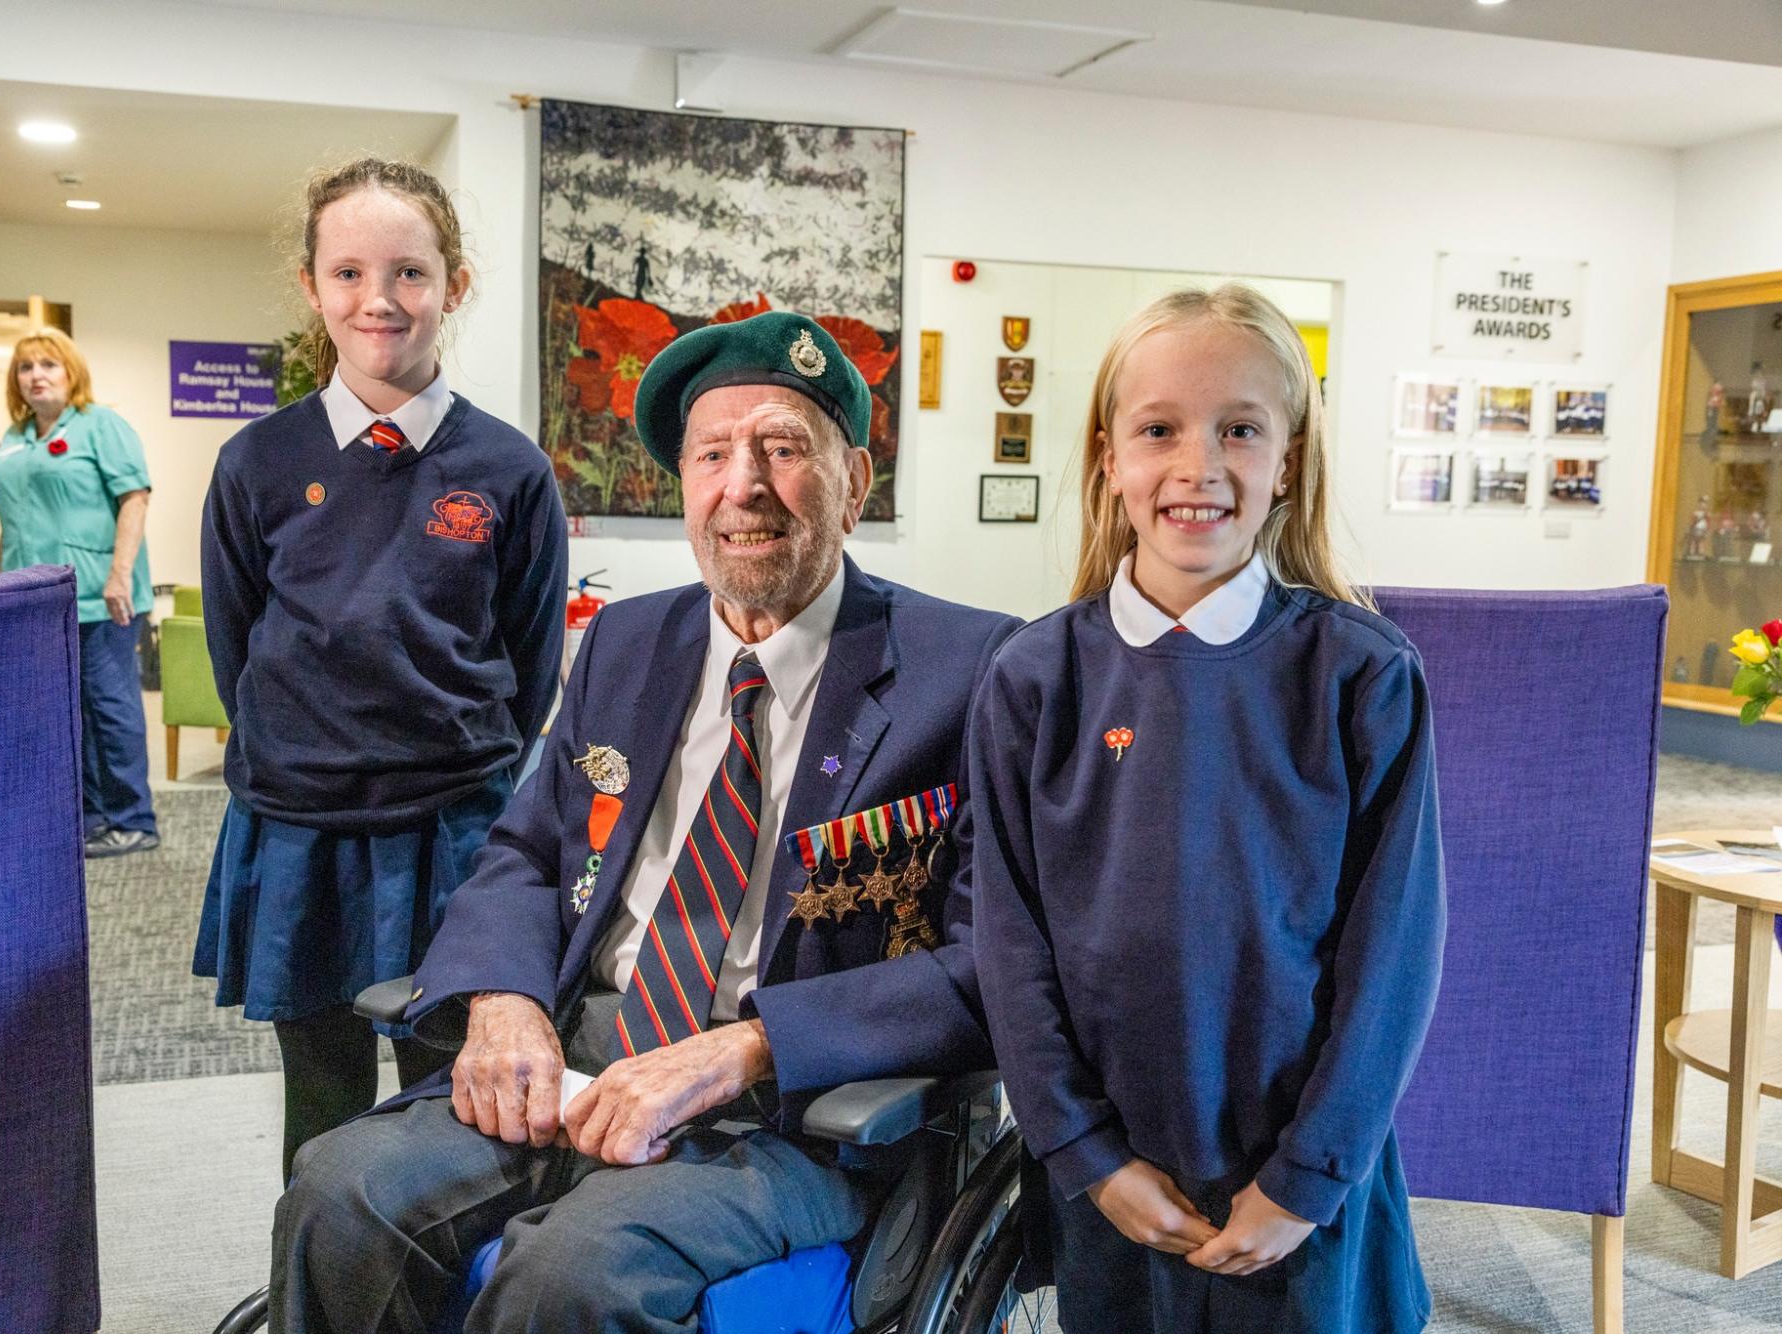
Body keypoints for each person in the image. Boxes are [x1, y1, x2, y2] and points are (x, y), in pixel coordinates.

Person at [267, 310, 1018, 1334]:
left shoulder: (968, 669)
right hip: (578, 1058)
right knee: (336, 1190)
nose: (741, 483)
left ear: (855, 485)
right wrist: (501, 1002)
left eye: (783, 448)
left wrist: (747, 1045)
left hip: (785, 1111)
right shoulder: (626, 641)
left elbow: (993, 963)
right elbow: (528, 850)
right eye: (711, 453)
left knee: (569, 1275)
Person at [969, 283, 1446, 1334]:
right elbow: (1009, 946)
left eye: (1239, 427)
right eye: (1158, 429)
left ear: (1286, 460)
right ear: (1108, 457)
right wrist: (1083, 1155)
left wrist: (1307, 1175)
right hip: (1117, 1178)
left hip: (1300, 1180)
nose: (1198, 465)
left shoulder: (1359, 673)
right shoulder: (1031, 677)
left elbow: (1395, 955)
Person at [193, 159, 570, 1182]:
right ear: (313, 286)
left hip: (450, 826)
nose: (379, 299)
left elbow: (531, 665)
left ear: (453, 282)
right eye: (349, 272)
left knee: (452, 1093)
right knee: (317, 1098)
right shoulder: (255, 464)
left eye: (408, 272)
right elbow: (238, 651)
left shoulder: (509, 469)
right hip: (298, 822)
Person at [0, 326, 159, 858]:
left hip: (96, 595)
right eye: (25, 367)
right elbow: (13, 518)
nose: (36, 375)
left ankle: (133, 819)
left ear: (71, 373)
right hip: (32, 598)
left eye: (48, 364)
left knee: (110, 708)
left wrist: (119, 575)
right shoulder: (15, 438)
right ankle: (87, 818)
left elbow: (134, 498)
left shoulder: (100, 425)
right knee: (61, 712)